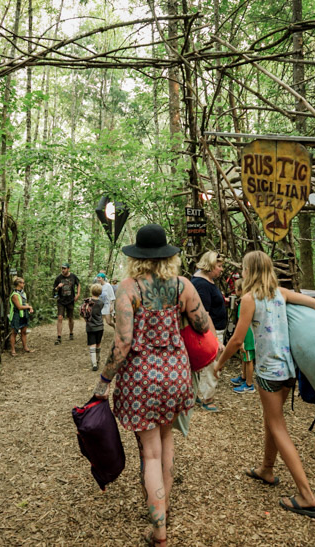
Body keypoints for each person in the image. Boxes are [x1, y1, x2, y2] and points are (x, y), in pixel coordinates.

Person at [94, 224, 212, 546]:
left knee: (150, 453)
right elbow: (203, 324)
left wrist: (104, 381)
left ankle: (159, 531)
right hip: (176, 375)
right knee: (166, 444)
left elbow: (122, 342)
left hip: (140, 378)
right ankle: (163, 509)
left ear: (137, 258)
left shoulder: (128, 288)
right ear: (167, 256)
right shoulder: (183, 286)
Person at [215, 250, 315, 519]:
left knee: (277, 426)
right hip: (288, 370)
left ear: (249, 270)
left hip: (268, 373)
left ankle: (306, 495)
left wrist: (218, 364)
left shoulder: (249, 299)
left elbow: (238, 341)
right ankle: (266, 469)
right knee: (271, 420)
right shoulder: (281, 293)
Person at [190, 251, 228, 411]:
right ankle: (207, 399)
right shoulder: (202, 284)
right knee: (213, 365)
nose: (221, 269)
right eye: (219, 266)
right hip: (211, 333)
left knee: (208, 365)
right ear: (210, 266)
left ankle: (201, 395)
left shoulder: (207, 281)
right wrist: (215, 340)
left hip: (216, 330)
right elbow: (204, 314)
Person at [227, 280, 255, 394]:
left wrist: (242, 340)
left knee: (248, 359)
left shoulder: (245, 302)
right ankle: (243, 377)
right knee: (244, 357)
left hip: (247, 337)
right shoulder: (243, 301)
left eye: (236, 290)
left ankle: (249, 384)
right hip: (245, 335)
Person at [52, 263, 80, 344]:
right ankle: (59, 337)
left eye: (64, 268)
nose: (63, 270)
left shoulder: (73, 276)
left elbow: (78, 284)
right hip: (61, 300)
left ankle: (71, 333)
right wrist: (58, 287)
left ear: (68, 269)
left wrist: (78, 294)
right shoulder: (58, 278)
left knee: (70, 318)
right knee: (60, 317)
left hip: (70, 300)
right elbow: (54, 289)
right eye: (62, 268)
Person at [8, 276, 34, 355]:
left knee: (24, 332)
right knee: (14, 332)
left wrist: (30, 308)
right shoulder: (14, 295)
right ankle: (13, 350)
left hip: (24, 315)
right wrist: (28, 307)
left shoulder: (23, 293)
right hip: (16, 315)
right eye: (22, 282)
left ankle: (25, 347)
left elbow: (24, 303)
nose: (24, 284)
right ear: (19, 284)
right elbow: (19, 307)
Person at [82, 284, 105, 371]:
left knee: (92, 344)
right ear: (100, 293)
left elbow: (83, 311)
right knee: (98, 343)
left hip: (90, 326)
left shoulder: (87, 302)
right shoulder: (101, 303)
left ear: (91, 291)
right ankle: (98, 360)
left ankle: (94, 363)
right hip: (99, 326)